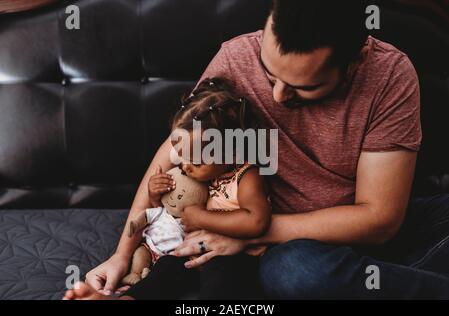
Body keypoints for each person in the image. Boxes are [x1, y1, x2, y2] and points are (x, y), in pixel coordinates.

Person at [83, 0, 449, 299]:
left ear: (355, 62)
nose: (277, 96)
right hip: (292, 252)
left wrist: (244, 233)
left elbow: (379, 219)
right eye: (270, 74)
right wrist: (121, 254)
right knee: (294, 272)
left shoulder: (389, 75)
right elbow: (177, 150)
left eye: (303, 87)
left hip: (348, 230)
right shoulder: (237, 58)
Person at [64, 78, 271, 300]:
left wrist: (201, 217)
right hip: (191, 248)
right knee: (165, 269)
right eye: (182, 156)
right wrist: (155, 194)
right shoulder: (203, 175)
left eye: (196, 162)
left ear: (232, 153)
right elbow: (167, 212)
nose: (184, 166)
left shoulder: (246, 176)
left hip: (230, 254)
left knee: (222, 279)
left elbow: (256, 220)